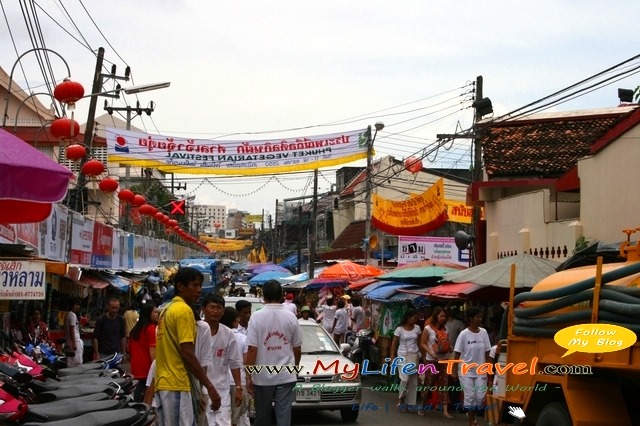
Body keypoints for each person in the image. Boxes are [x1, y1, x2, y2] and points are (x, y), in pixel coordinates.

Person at [154, 266, 221, 426]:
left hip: (165, 383)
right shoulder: (183, 310)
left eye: (200, 285)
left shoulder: (166, 310)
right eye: (195, 285)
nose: (199, 290)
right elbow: (187, 354)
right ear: (180, 286)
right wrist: (210, 388)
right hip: (176, 383)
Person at [246, 280, 302, 426]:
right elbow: (297, 348)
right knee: (284, 417)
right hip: (286, 375)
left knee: (262, 417)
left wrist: (248, 376)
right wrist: (294, 369)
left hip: (262, 376)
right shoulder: (291, 317)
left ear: (264, 296)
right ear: (281, 295)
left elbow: (252, 349)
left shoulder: (256, 317)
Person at [201, 293, 244, 426]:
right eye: (212, 307)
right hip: (201, 390)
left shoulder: (228, 334)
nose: (215, 311)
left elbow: (235, 363)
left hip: (222, 390)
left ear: (223, 311)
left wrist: (238, 388)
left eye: (219, 308)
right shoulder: (196, 330)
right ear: (203, 309)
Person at [452, 307, 491, 426]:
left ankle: (471, 414)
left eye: (481, 316)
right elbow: (457, 354)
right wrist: (453, 371)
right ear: (470, 319)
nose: (480, 319)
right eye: (477, 317)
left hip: (480, 370)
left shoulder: (483, 332)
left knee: (480, 398)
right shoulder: (463, 334)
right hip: (465, 370)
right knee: (469, 397)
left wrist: (489, 367)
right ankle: (471, 422)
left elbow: (487, 351)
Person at [420, 306, 453, 419]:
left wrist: (449, 347)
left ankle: (445, 410)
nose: (443, 318)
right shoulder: (428, 329)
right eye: (441, 316)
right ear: (436, 316)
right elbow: (423, 343)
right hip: (431, 360)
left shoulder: (446, 329)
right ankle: (422, 405)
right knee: (429, 383)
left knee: (444, 384)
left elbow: (446, 342)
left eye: (444, 316)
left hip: (444, 359)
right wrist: (431, 352)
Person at [221, 307, 250, 426]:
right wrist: (249, 378)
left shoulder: (219, 336)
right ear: (235, 321)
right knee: (237, 417)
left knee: (223, 416)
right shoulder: (243, 338)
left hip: (222, 381)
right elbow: (246, 361)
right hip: (239, 381)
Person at [390, 309, 422, 412]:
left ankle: (410, 403)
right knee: (405, 378)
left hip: (414, 355)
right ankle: (401, 399)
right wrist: (392, 357)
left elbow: (420, 343)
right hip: (402, 355)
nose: (415, 320)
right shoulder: (399, 329)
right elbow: (394, 343)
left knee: (413, 380)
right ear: (408, 317)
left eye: (417, 319)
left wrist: (423, 357)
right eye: (414, 318)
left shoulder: (417, 328)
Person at [129, 303, 159, 402]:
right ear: (148, 314)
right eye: (154, 312)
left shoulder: (135, 330)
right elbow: (152, 350)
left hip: (136, 368)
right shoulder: (150, 328)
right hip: (146, 369)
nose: (157, 314)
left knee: (138, 394)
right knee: (146, 398)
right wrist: (156, 369)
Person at [64, 299, 83, 366]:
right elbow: (72, 329)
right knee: (76, 362)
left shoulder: (68, 314)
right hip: (74, 341)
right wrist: (74, 343)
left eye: (78, 305)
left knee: (71, 361)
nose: (77, 306)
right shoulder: (72, 315)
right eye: (76, 304)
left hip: (70, 341)